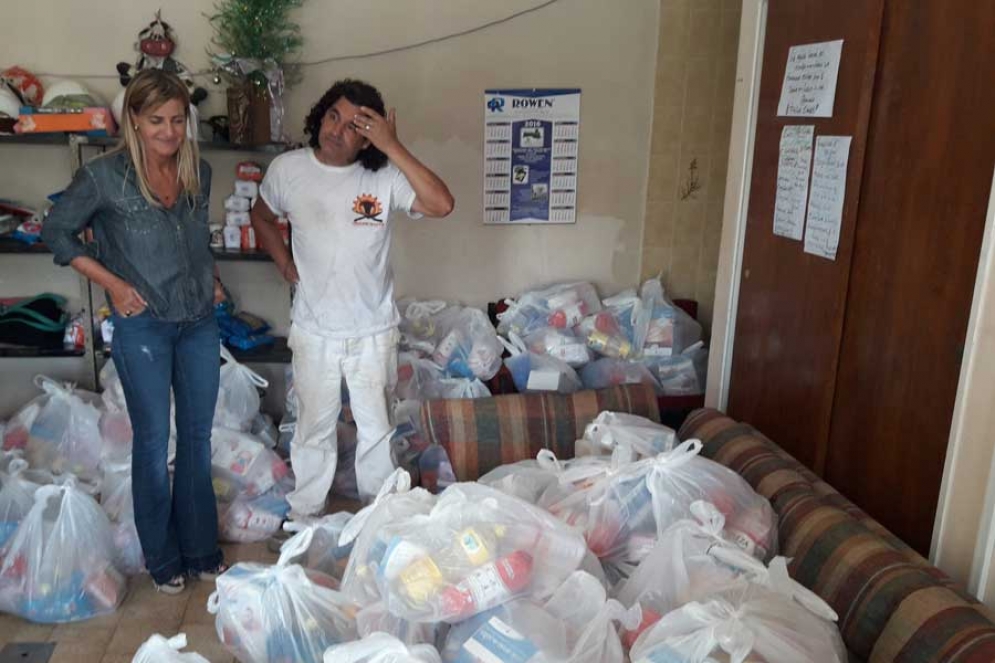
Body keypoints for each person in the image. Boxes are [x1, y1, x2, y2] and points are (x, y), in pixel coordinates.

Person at [42, 69, 226, 594]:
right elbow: (57, 231)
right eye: (156, 121)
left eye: (177, 120)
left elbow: (192, 238)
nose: (169, 131)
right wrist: (113, 286)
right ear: (134, 123)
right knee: (152, 444)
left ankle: (200, 550)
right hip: (142, 326)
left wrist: (209, 277)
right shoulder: (104, 176)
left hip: (198, 324)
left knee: (196, 439)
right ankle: (164, 560)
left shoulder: (199, 171)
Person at [251, 79, 454, 519]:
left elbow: (441, 204)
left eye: (352, 127)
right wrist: (284, 263)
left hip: (372, 331)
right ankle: (304, 514)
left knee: (377, 430)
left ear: (368, 139)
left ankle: (379, 516)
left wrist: (393, 146)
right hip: (314, 328)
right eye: (332, 116)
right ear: (321, 115)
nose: (336, 131)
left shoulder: (384, 177)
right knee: (312, 429)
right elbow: (261, 216)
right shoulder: (288, 170)